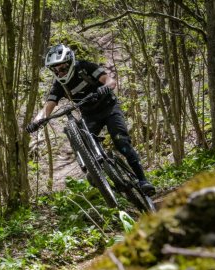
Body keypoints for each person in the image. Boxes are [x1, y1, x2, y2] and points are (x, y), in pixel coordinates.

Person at [26, 44, 155, 196]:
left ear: (71, 62)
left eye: (63, 68)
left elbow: (110, 80)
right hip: (90, 115)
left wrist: (105, 87)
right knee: (81, 139)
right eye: (55, 70)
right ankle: (94, 171)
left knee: (121, 142)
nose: (59, 73)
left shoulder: (85, 67)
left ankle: (143, 180)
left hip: (109, 108)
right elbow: (47, 107)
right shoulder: (59, 85)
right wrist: (36, 121)